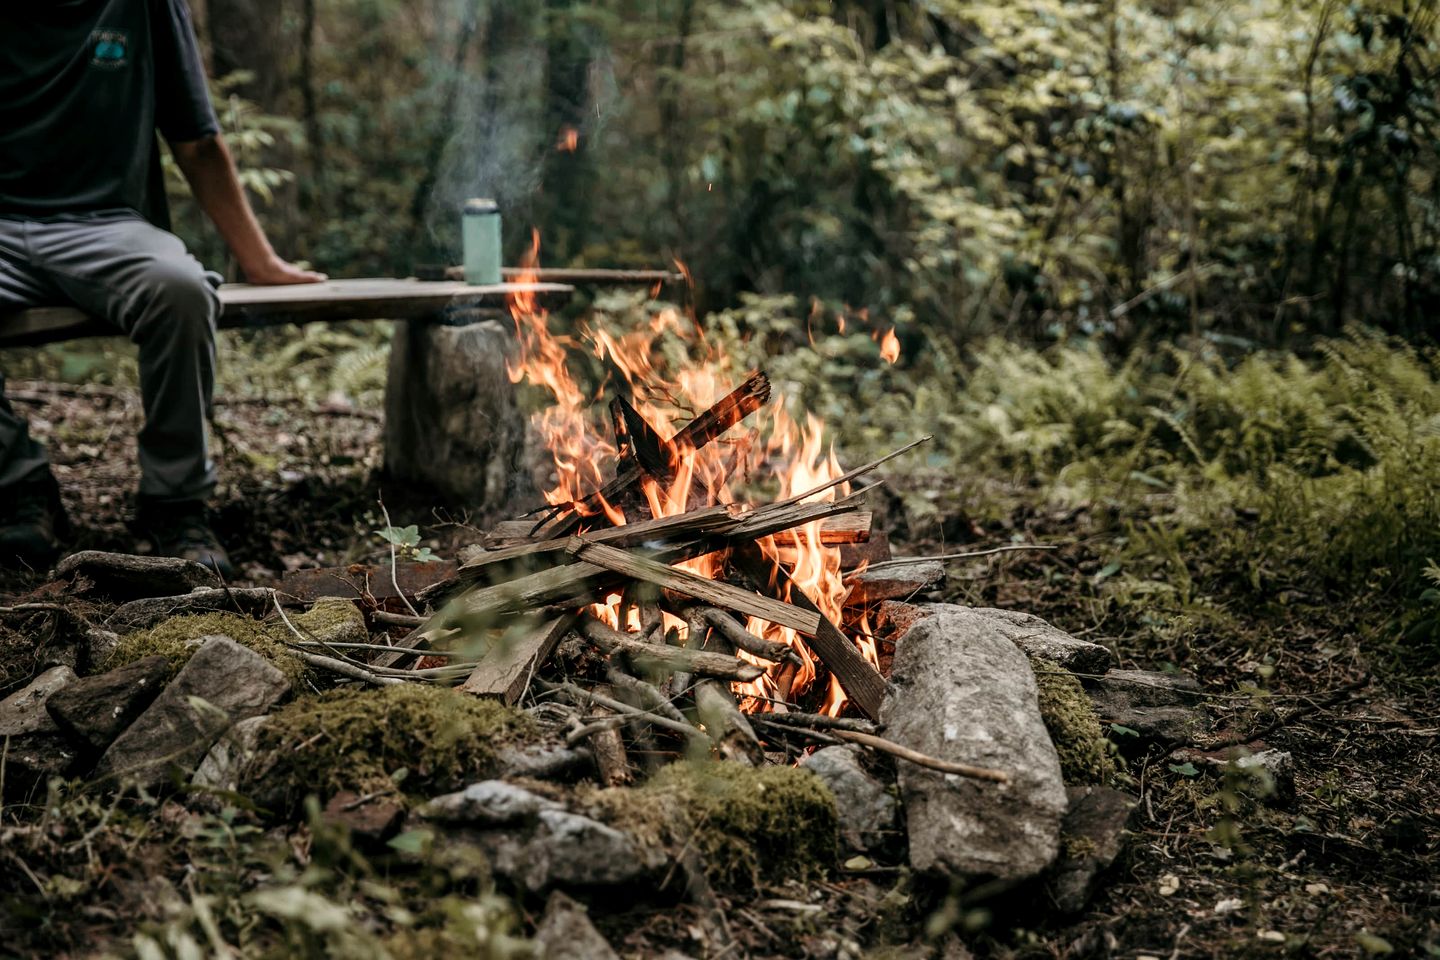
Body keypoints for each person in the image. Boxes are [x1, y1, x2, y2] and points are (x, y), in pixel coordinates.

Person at [0, 1, 324, 578]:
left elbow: (195, 138)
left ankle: (175, 503)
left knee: (181, 288)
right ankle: (19, 483)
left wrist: (260, 260)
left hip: (105, 224)